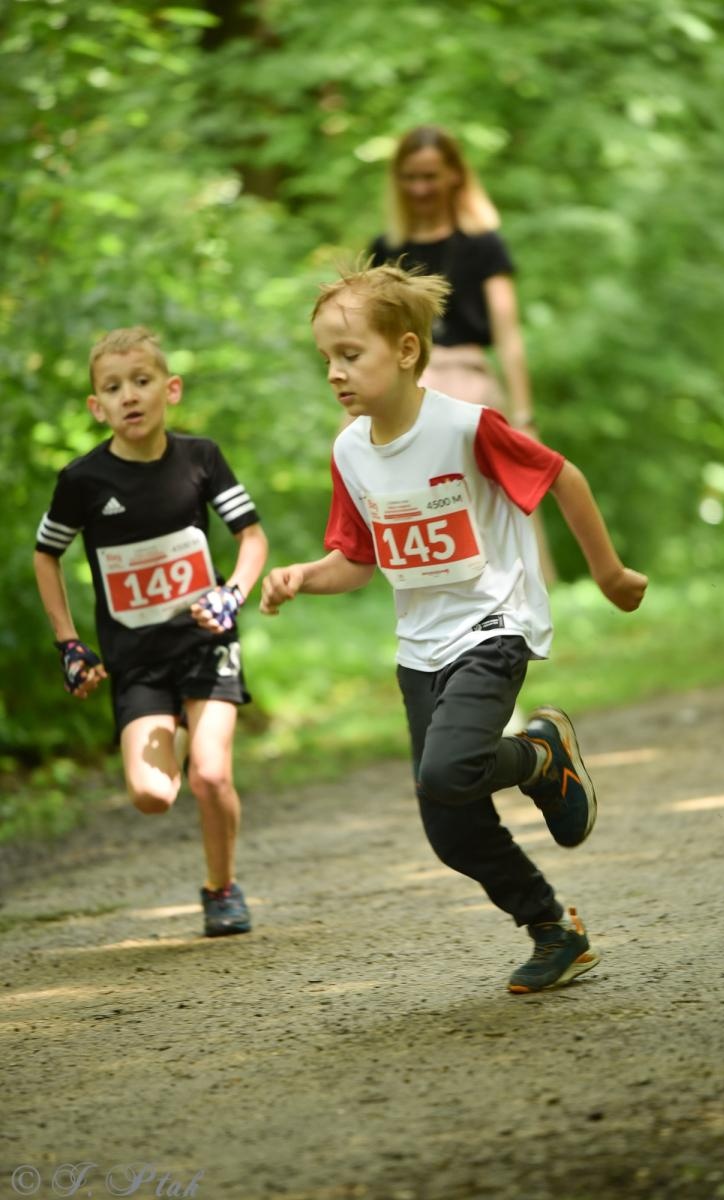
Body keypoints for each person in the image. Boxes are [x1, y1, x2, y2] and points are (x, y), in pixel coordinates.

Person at [260, 264, 648, 994]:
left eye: (351, 355)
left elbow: (561, 476)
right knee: (449, 826)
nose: (335, 374)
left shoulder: (467, 428)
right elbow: (357, 559)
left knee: (446, 771)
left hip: (494, 625)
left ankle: (538, 756)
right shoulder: (350, 451)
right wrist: (303, 576)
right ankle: (554, 932)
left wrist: (608, 573)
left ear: (405, 350)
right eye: (326, 361)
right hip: (421, 648)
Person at [33, 326, 268, 938]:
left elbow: (252, 537)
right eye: (113, 388)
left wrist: (232, 592)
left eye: (141, 382)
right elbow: (45, 555)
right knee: (152, 796)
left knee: (211, 776)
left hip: (206, 644)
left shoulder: (201, 459)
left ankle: (222, 889)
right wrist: (69, 641)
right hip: (136, 659)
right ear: (97, 407)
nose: (129, 396)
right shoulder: (82, 481)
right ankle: (181, 728)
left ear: (171, 389)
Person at [368, 123, 557, 583]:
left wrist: (525, 414)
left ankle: (517, 579)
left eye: (430, 176)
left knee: (495, 484)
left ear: (454, 175)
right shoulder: (387, 249)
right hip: (407, 379)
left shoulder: (483, 245)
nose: (420, 189)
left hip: (470, 377)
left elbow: (508, 335)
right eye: (410, 178)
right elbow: (371, 337)